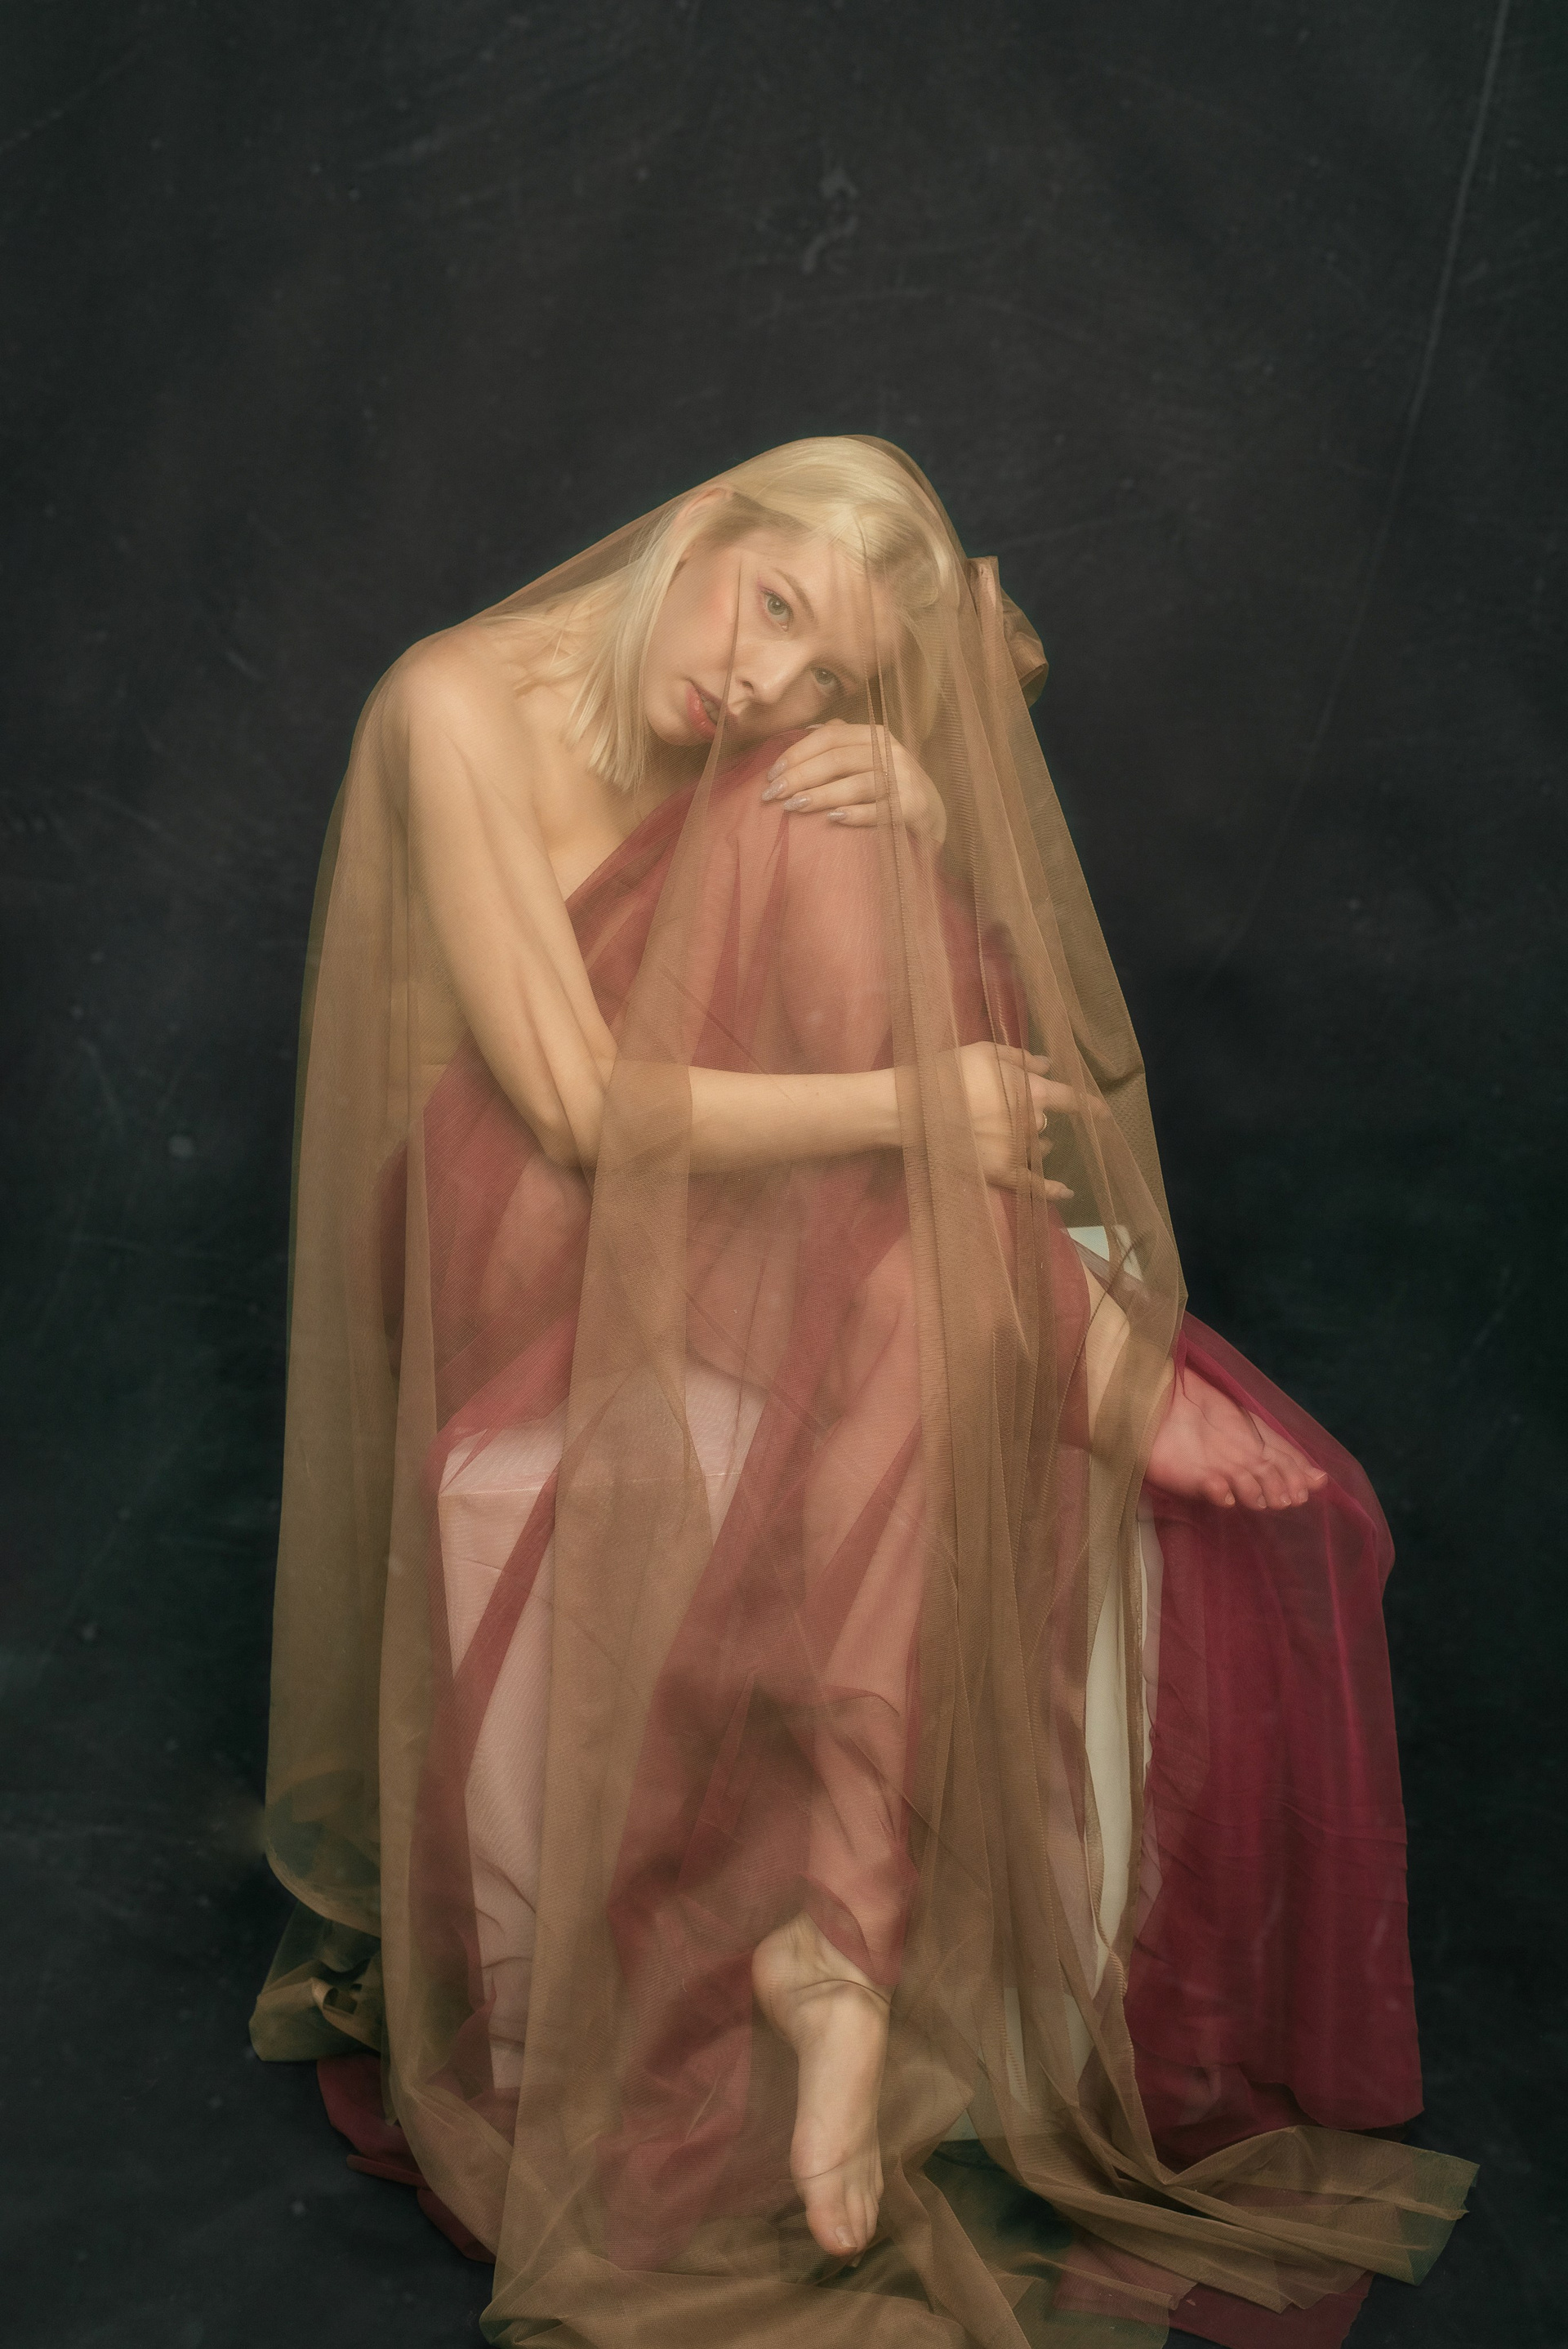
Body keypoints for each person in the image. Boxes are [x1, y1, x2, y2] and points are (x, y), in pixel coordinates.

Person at [252, 437, 1472, 2347]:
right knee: (818, 861)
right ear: (707, 523)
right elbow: (572, 1109)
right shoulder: (452, 698)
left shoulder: (779, 714)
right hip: (521, 1229)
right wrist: (924, 1107)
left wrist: (913, 766)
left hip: (743, 1210)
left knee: (842, 879)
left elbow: (987, 666)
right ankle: (1067, 1334)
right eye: (770, 612)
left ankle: (835, 1948)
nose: (760, 682)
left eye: (819, 666)